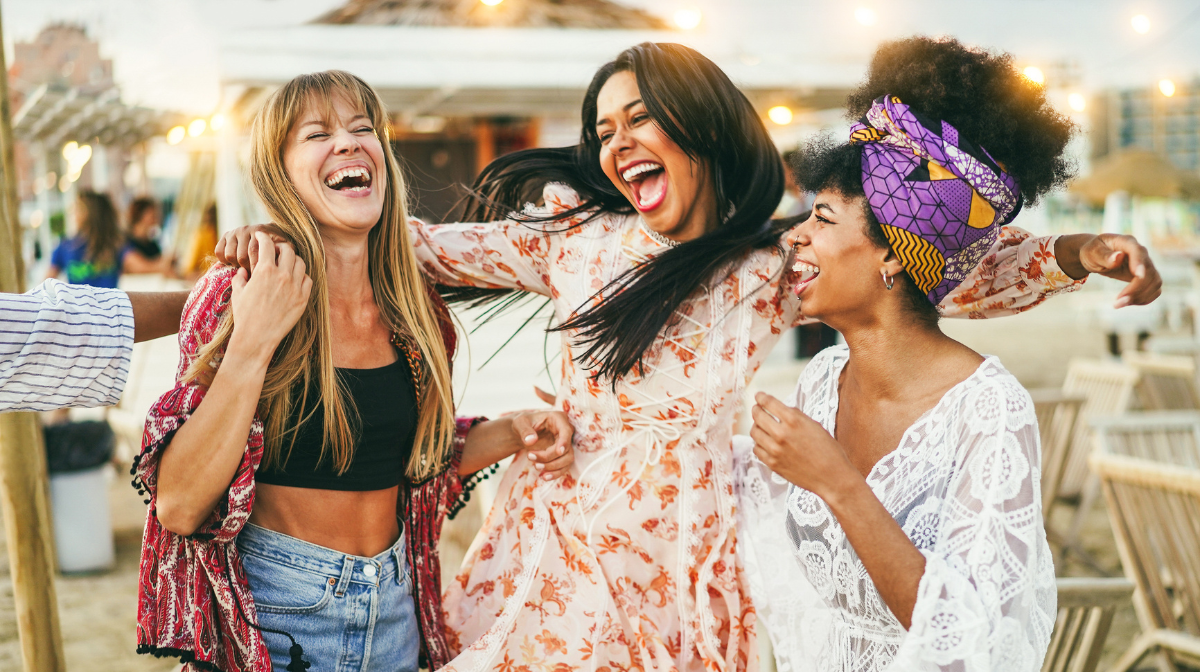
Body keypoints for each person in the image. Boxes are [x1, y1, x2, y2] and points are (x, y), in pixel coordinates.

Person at [217, 43, 1159, 672]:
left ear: (699, 125)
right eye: (603, 130)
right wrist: (277, 235)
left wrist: (1074, 256)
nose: (616, 142)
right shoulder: (578, 240)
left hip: (699, 549)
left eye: (640, 120)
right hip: (569, 535)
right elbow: (404, 246)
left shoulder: (768, 262)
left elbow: (923, 266)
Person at [132, 71, 574, 672]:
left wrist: (518, 427)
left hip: (395, 615)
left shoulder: (416, 311)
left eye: (363, 128)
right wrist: (255, 339)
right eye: (317, 134)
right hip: (277, 618)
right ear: (279, 174)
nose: (348, 143)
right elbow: (180, 506)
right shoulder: (239, 292)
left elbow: (412, 466)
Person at [735, 37, 1109, 672]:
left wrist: (836, 483)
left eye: (822, 217)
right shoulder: (824, 379)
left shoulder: (987, 411)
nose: (794, 234)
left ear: (892, 254)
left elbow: (970, 636)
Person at [0, 281, 188, 411]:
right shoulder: (67, 248)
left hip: (101, 330)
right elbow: (55, 327)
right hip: (95, 331)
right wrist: (204, 300)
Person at [48, 191, 124, 288]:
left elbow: (140, 265)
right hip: (77, 302)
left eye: (78, 208)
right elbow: (46, 284)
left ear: (91, 212)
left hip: (108, 302)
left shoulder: (116, 244)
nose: (74, 213)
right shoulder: (64, 246)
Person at [122, 196, 175, 276]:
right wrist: (164, 263)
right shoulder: (125, 243)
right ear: (140, 216)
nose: (156, 220)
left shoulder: (152, 245)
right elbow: (136, 266)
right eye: (152, 216)